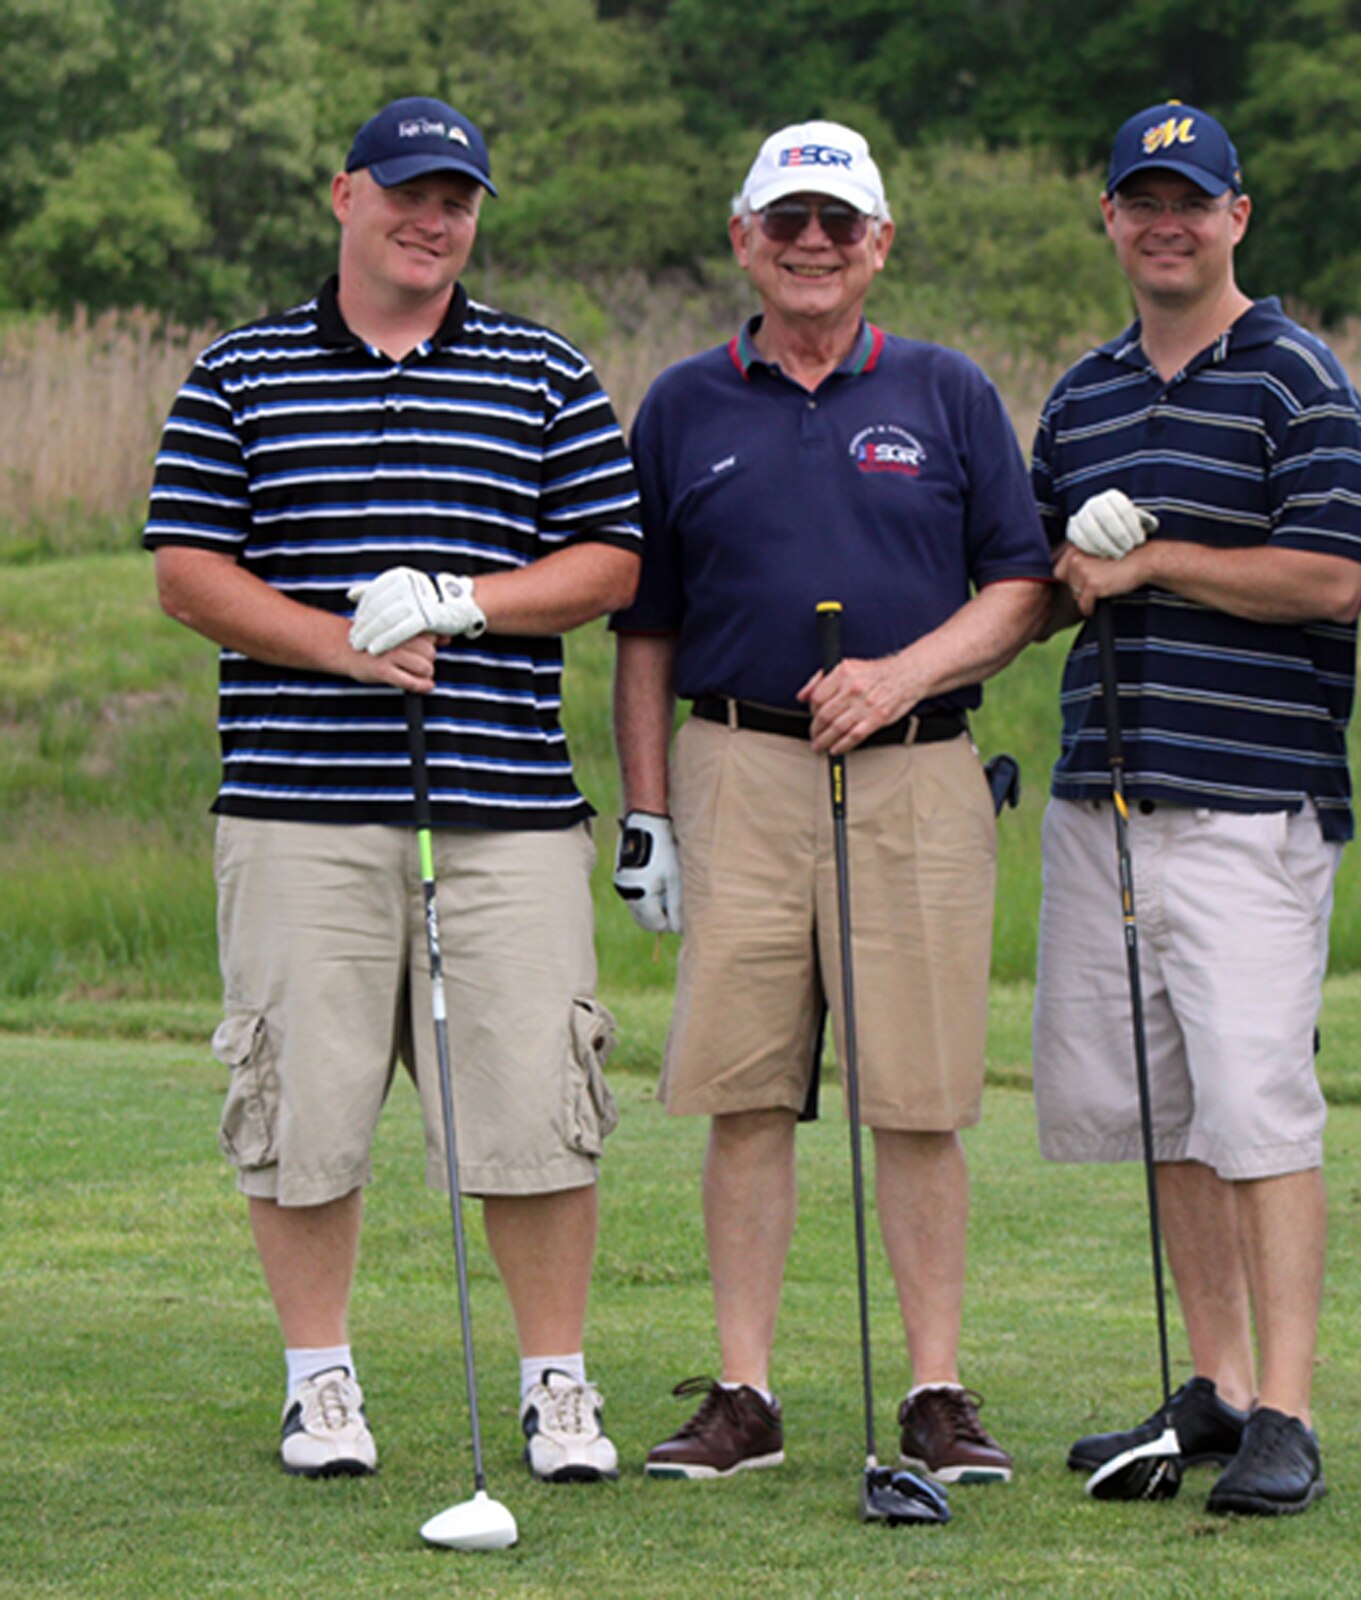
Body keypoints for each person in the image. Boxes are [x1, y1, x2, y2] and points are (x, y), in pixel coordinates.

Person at [143, 96, 640, 1485]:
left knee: (537, 1102)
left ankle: (557, 1388)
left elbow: (609, 563)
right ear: (347, 195)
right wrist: (339, 642)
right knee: (302, 1100)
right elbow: (187, 571)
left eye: (460, 199)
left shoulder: (543, 371)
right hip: (300, 806)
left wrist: (466, 604)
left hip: (506, 811)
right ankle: (320, 1385)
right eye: (411, 192)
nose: (436, 220)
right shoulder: (238, 373)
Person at [609, 120, 1051, 1485]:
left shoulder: (947, 391)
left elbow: (1023, 589)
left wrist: (897, 674)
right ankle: (743, 1390)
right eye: (786, 223)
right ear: (743, 237)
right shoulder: (684, 402)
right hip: (737, 764)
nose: (813, 246)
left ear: (881, 243)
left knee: (917, 1096)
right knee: (745, 1090)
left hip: (916, 767)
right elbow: (645, 630)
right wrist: (646, 814)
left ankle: (934, 1389)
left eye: (838, 225)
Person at [1030, 102, 1361, 1516]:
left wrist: (1156, 559)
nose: (1165, 221)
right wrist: (1072, 568)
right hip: (1104, 798)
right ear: (1109, 216)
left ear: (1240, 215)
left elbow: (1334, 578)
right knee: (1166, 1112)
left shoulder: (1297, 379)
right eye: (1140, 198)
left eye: (1193, 199)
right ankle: (1221, 1388)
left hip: (1249, 805)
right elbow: (1045, 576)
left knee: (1256, 1111)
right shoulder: (1082, 394)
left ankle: (1290, 1408)